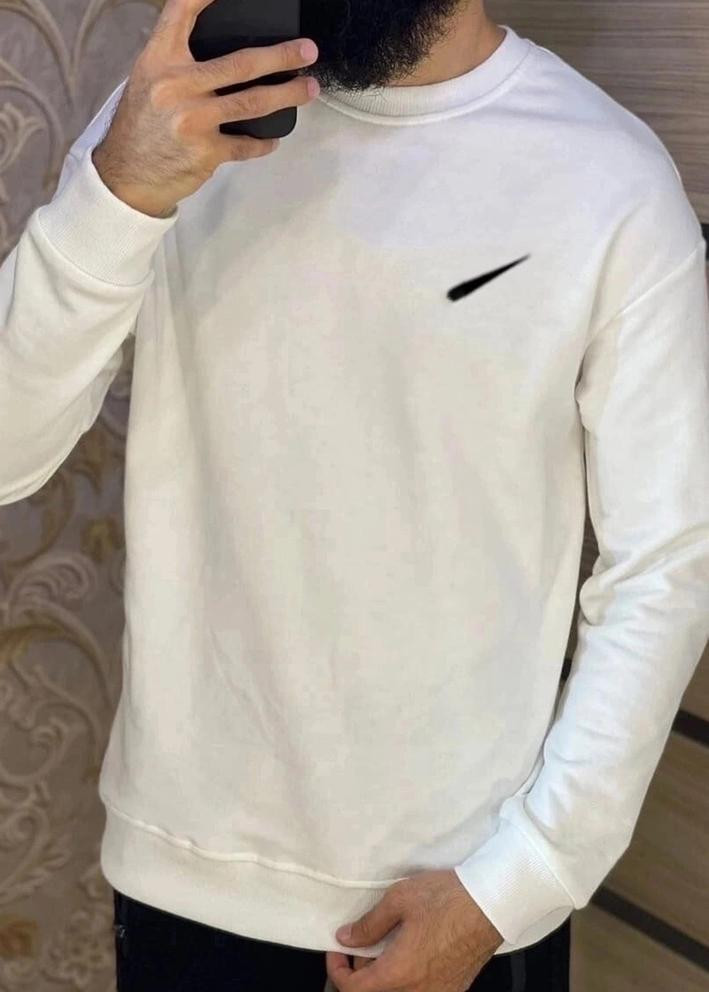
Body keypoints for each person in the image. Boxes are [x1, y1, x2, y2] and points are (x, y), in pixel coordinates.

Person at [1, 0, 707, 989]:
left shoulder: (608, 179)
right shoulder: (176, 120)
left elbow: (664, 567)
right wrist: (116, 194)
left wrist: (520, 881)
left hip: (466, 888)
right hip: (183, 878)